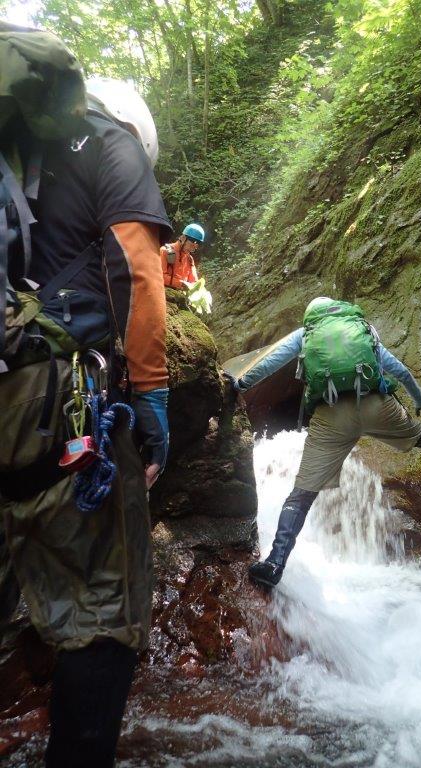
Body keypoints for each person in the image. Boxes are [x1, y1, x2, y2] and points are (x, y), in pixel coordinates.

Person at [0, 37, 171, 768]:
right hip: (50, 404)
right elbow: (138, 266)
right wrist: (153, 395)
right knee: (105, 609)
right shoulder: (111, 143)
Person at [235, 297, 421, 589]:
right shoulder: (362, 328)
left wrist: (240, 385)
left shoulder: (306, 334)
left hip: (331, 415)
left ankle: (274, 564)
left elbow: (272, 362)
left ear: (312, 314)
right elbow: (397, 370)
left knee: (301, 495)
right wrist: (419, 398)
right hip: (377, 406)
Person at [161, 222, 205, 289]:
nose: (194, 247)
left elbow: (194, 282)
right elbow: (159, 276)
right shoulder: (165, 251)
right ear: (183, 238)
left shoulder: (189, 259)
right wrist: (181, 283)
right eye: (193, 243)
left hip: (178, 297)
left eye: (197, 244)